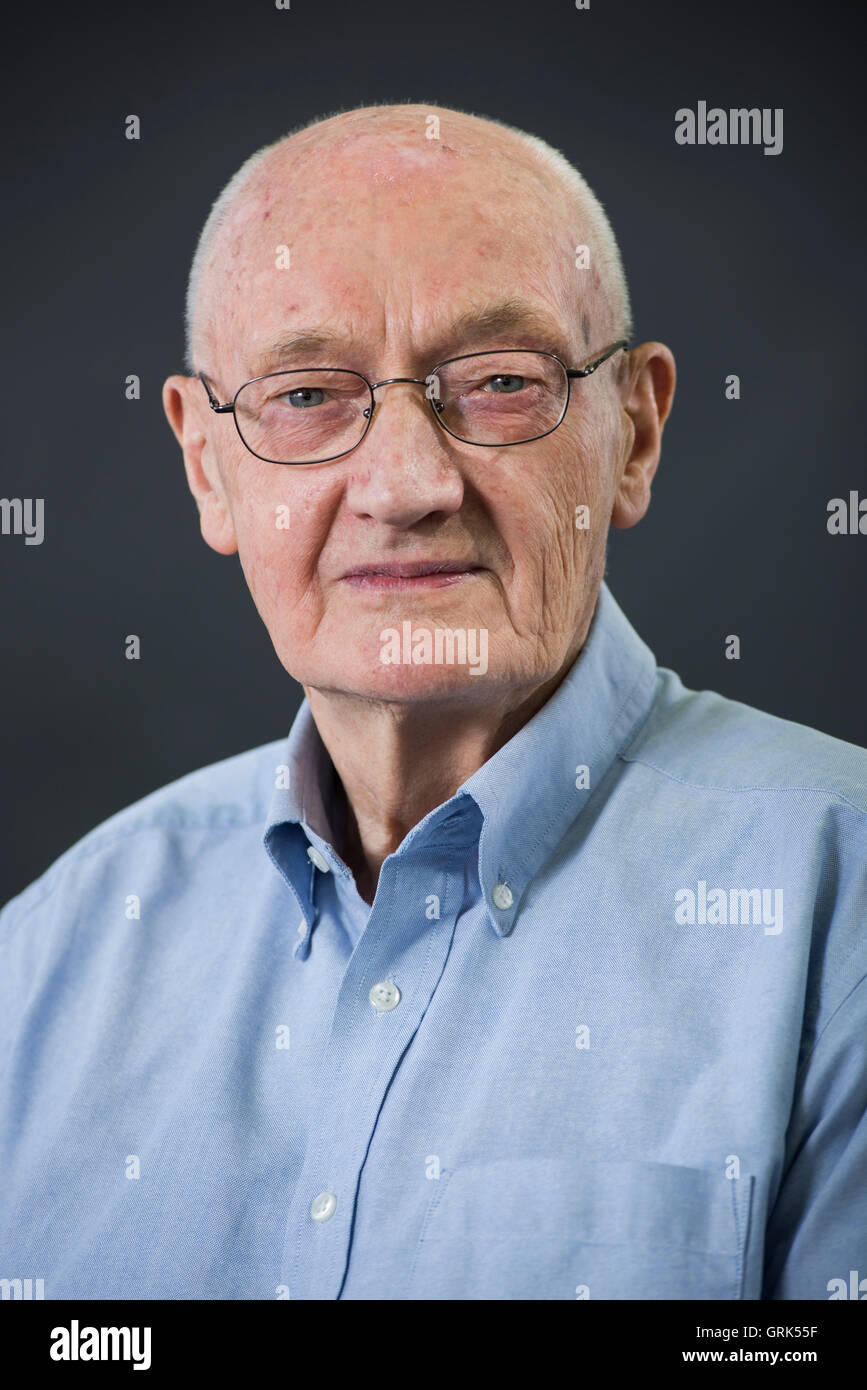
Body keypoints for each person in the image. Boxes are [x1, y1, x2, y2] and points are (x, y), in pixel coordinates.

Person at [1, 102, 864, 1301]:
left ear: (638, 433)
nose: (405, 485)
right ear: (208, 465)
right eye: (306, 396)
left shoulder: (841, 903)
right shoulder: (45, 965)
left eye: (501, 382)